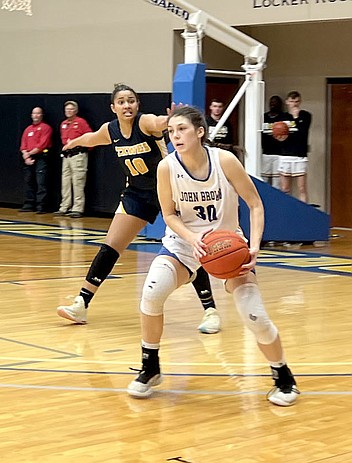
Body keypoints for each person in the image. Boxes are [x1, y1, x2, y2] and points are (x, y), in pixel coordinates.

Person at [127, 105, 299, 406]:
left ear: (200, 132)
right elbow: (168, 214)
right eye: (171, 131)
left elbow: (255, 205)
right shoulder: (167, 167)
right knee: (152, 292)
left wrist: (255, 246)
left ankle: (283, 375)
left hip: (227, 245)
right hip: (185, 243)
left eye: (182, 129)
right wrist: (193, 238)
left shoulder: (225, 161)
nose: (175, 136)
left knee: (254, 314)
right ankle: (150, 366)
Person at [56, 84, 220, 334]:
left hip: (171, 192)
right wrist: (73, 142)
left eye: (131, 101)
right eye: (121, 102)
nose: (126, 105)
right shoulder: (110, 130)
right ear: (113, 108)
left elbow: (160, 122)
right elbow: (91, 139)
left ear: (137, 104)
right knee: (110, 246)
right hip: (137, 194)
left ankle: (210, 311)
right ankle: (82, 303)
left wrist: (171, 119)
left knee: (188, 249)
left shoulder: (145, 124)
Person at [56, 101, 92, 218]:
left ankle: (77, 208)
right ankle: (64, 206)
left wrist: (84, 148)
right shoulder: (63, 124)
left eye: (71, 109)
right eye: (67, 109)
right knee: (65, 182)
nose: (69, 111)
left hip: (78, 155)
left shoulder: (81, 122)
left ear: (75, 111)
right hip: (66, 156)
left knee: (78, 182)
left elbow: (90, 136)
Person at [279, 91, 311, 202]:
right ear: (287, 102)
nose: (294, 104)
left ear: (300, 102)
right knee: (284, 188)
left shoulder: (306, 116)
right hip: (285, 154)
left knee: (302, 188)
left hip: (300, 155)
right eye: (292, 101)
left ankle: (304, 213)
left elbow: (303, 133)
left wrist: (296, 117)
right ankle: (286, 211)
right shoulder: (282, 117)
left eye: (297, 101)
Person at [18, 107, 52, 213]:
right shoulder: (28, 129)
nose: (36, 115)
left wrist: (30, 153)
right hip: (28, 157)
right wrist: (25, 155)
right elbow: (23, 144)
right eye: (34, 113)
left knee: (40, 182)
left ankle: (41, 205)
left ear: (41, 115)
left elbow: (42, 144)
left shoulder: (46, 128)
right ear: (31, 115)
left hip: (40, 157)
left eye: (38, 113)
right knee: (29, 181)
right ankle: (29, 203)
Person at [261, 95, 285, 188]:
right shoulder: (263, 117)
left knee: (277, 183)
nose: (273, 105)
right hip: (265, 153)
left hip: (279, 154)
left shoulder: (284, 117)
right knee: (263, 180)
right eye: (272, 103)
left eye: (276, 103)